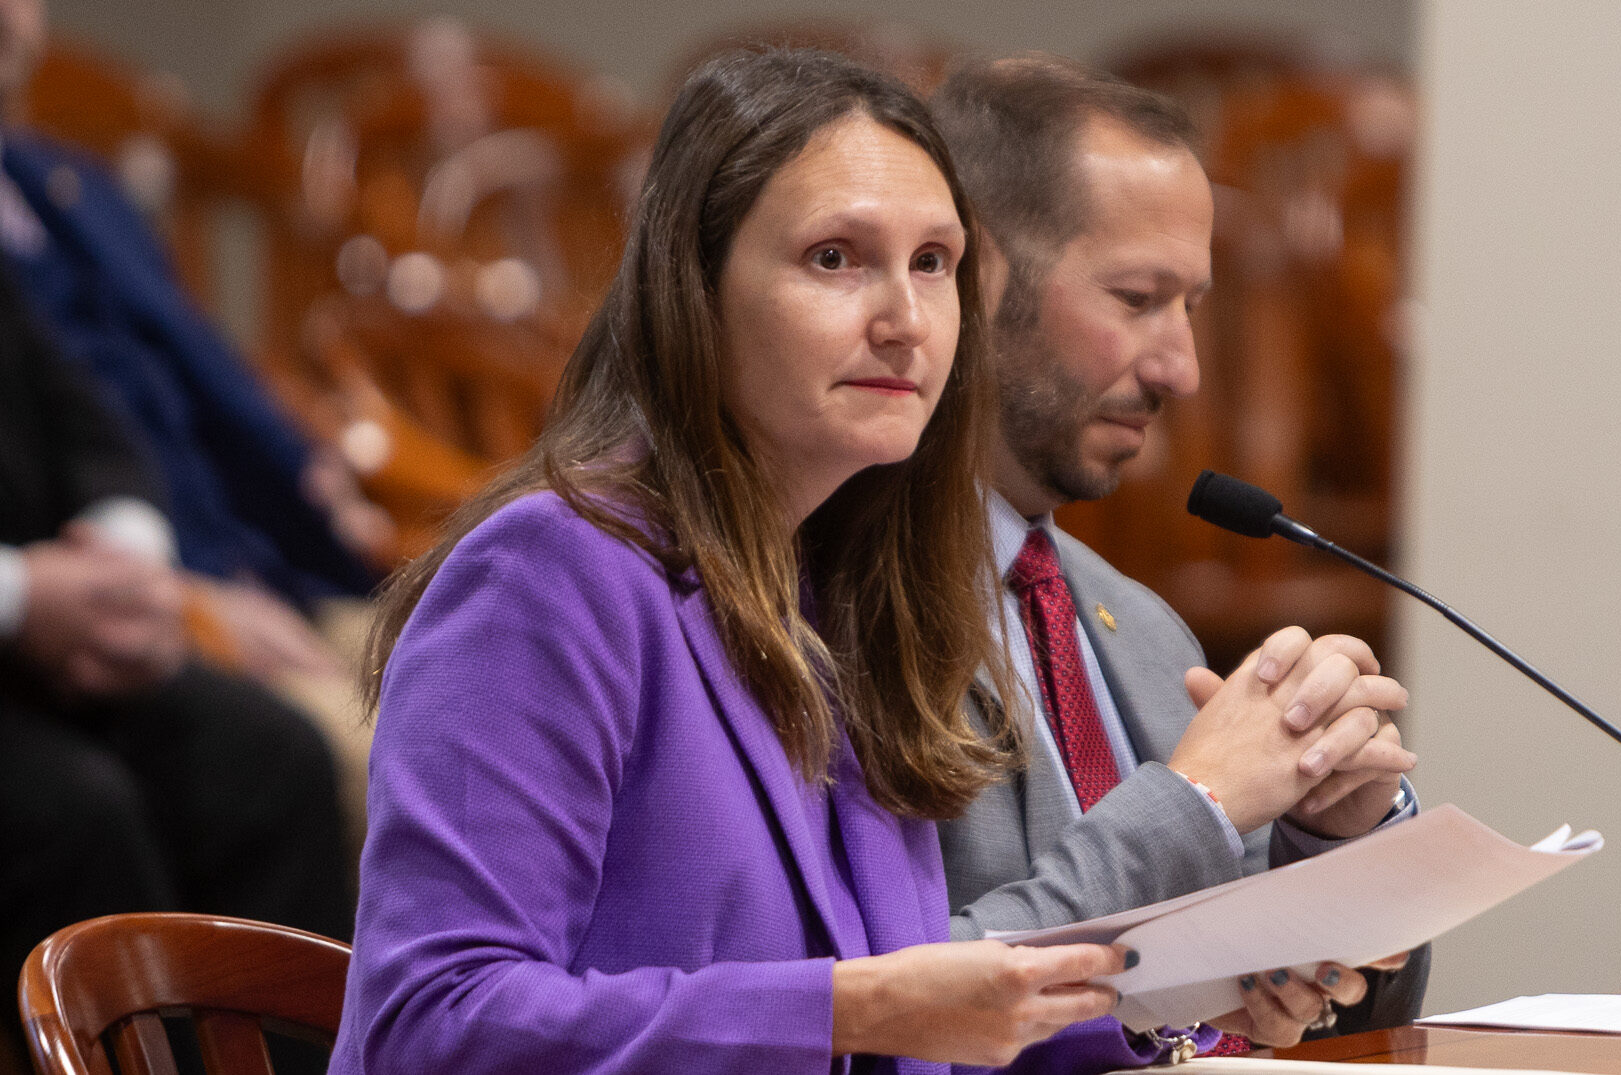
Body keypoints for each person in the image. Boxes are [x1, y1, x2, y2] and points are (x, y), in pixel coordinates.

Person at [332, 49, 1215, 1074]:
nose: (903, 321)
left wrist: (1176, 1018)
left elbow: (914, 1032)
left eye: (933, 263)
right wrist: (849, 1008)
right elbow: (432, 1023)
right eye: (835, 258)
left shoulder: (846, 594)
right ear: (694, 288)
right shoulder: (549, 571)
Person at [929, 55, 1430, 1047]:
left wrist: (1333, 839)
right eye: (1135, 297)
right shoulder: (838, 611)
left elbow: (1322, 1012)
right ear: (978, 277)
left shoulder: (1138, 623)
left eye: (1189, 306)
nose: (1181, 369)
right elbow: (878, 1007)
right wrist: (1192, 805)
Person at [0, 263, 354, 1072]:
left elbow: (89, 425)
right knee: (77, 815)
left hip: (62, 630)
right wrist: (22, 596)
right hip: (25, 622)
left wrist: (129, 566)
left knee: (271, 756)